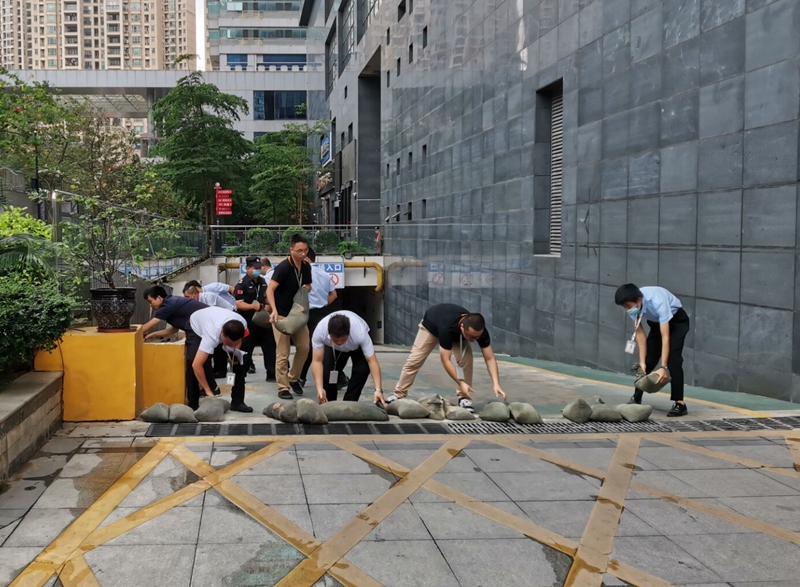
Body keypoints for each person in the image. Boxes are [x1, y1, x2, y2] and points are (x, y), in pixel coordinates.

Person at [388, 304, 507, 412]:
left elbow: (490, 358)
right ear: (462, 328)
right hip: (431, 327)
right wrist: (461, 382)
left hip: (455, 332)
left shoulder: (478, 331)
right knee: (414, 360)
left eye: (477, 337)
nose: (474, 339)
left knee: (466, 360)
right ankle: (399, 394)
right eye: (471, 336)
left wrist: (496, 384)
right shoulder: (447, 328)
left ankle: (464, 398)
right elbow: (445, 360)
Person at [615, 283, 690, 417]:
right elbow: (640, 335)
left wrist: (663, 366)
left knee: (674, 360)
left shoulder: (657, 301)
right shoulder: (634, 306)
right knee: (648, 361)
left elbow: (666, 336)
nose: (627, 310)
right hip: (657, 324)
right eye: (624, 307)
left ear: (638, 300)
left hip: (677, 322)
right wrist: (642, 362)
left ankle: (680, 404)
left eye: (627, 306)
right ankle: (636, 398)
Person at [141, 285, 220, 407]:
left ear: (159, 298)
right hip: (201, 328)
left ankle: (195, 401)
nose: (150, 305)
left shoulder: (167, 305)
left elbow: (148, 325)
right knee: (200, 361)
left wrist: (133, 336)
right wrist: (153, 335)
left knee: (193, 362)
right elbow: (173, 329)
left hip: (201, 328)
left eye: (150, 301)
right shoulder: (172, 304)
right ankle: (210, 391)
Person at [266, 233, 313, 400]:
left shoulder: (306, 266)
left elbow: (308, 285)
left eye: (305, 250)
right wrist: (274, 310)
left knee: (305, 348)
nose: (303, 253)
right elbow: (270, 290)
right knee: (283, 352)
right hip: (281, 315)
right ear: (291, 249)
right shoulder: (283, 268)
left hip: (297, 315)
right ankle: (282, 387)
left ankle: (293, 378)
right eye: (299, 250)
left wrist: (305, 289)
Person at [311, 311, 385, 405]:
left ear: (349, 333)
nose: (339, 342)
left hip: (356, 347)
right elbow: (317, 361)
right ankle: (329, 402)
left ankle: (349, 402)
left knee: (362, 370)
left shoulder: (360, 333)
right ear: (329, 333)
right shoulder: (320, 331)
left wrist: (378, 390)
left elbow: (372, 361)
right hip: (333, 348)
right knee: (327, 372)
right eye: (336, 339)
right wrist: (319, 389)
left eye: (343, 339)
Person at [188, 307, 252, 412]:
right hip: (196, 326)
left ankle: (238, 402)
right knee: (193, 360)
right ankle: (193, 404)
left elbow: (239, 341)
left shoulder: (242, 323)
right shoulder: (211, 335)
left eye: (234, 343)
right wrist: (208, 391)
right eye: (227, 343)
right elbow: (196, 365)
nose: (230, 346)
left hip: (219, 323)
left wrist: (233, 353)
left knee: (239, 363)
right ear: (222, 333)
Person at [299, 247, 337, 388]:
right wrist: (323, 303)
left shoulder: (303, 273)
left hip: (307, 313)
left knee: (308, 346)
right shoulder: (325, 274)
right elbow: (334, 295)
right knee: (325, 345)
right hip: (323, 312)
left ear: (307, 258)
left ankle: (301, 376)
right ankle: (339, 377)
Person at [234, 256, 276, 382]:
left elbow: (267, 297)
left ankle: (271, 373)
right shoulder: (242, 284)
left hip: (263, 320)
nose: (258, 270)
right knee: (246, 348)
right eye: (255, 268)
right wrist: (252, 306)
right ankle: (243, 374)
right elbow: (238, 303)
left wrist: (269, 308)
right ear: (248, 269)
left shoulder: (263, 281)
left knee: (270, 346)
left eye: (259, 267)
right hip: (248, 321)